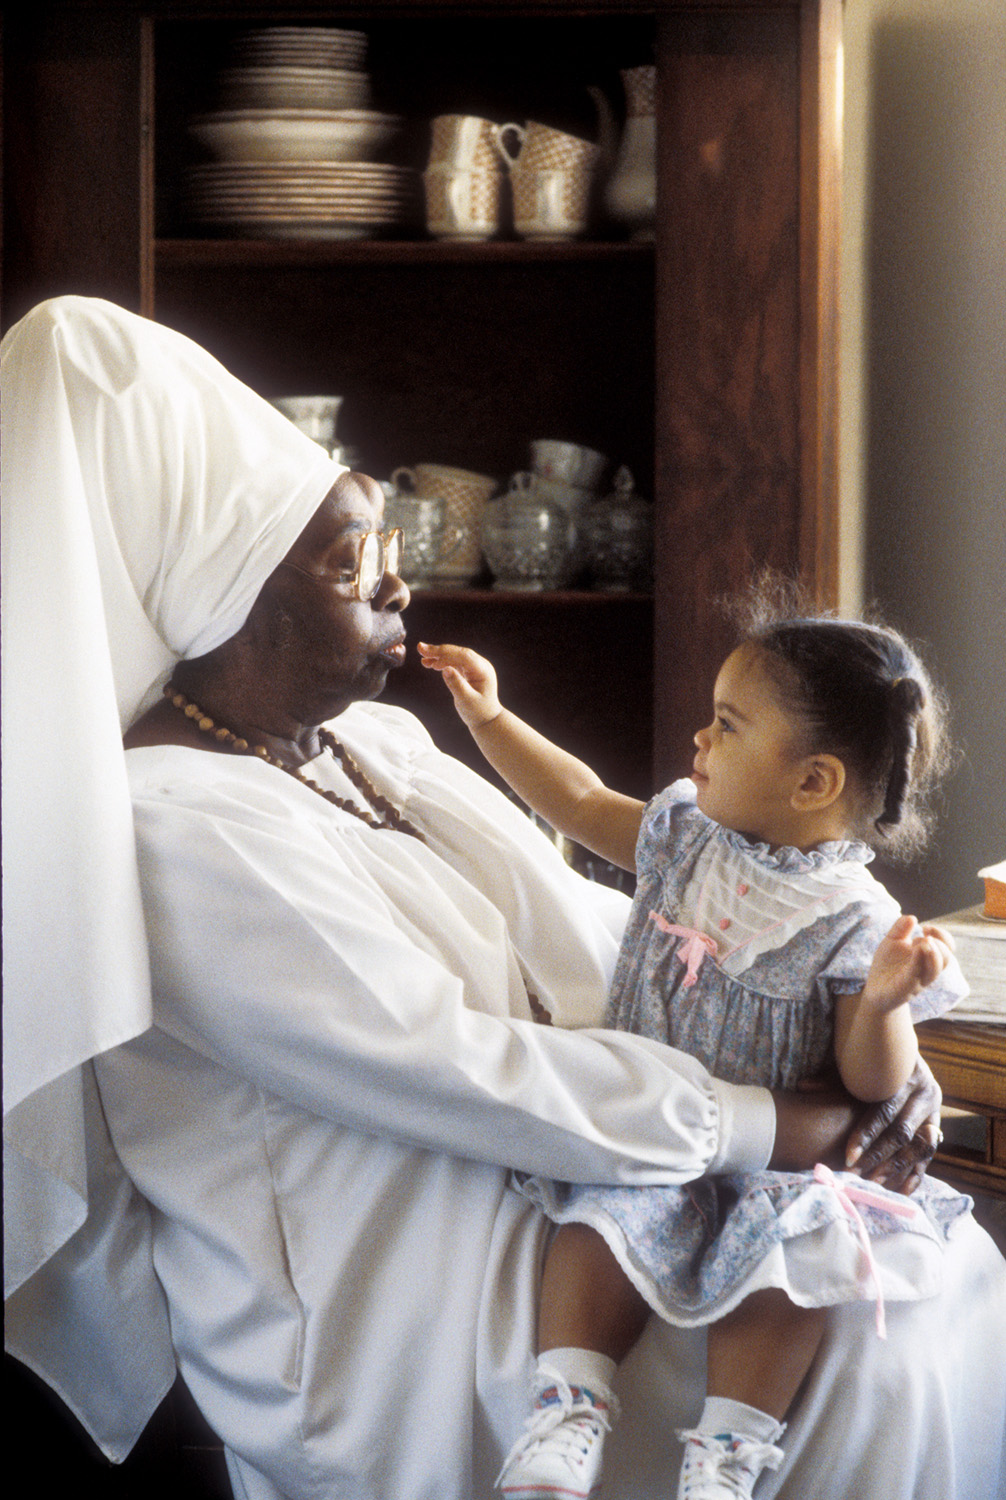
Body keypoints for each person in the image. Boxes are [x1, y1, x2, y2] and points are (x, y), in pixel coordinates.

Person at [2, 297, 1004, 1500]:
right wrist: (769, 1123)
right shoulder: (170, 827)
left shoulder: (371, 741)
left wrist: (840, 1031)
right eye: (351, 561)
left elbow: (605, 930)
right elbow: (450, 1065)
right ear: (222, 592)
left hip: (575, 1169)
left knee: (921, 1274)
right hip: (399, 1281)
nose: (399, 589)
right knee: (862, 1349)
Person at [419, 626, 976, 1500]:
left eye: (727, 724)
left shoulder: (853, 919)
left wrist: (882, 1003)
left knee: (797, 1263)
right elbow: (581, 798)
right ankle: (568, 1406)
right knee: (601, 1218)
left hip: (770, 1161)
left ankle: (726, 1455)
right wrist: (490, 719)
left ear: (813, 781)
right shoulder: (687, 838)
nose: (699, 741)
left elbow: (870, 1086)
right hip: (659, 1124)